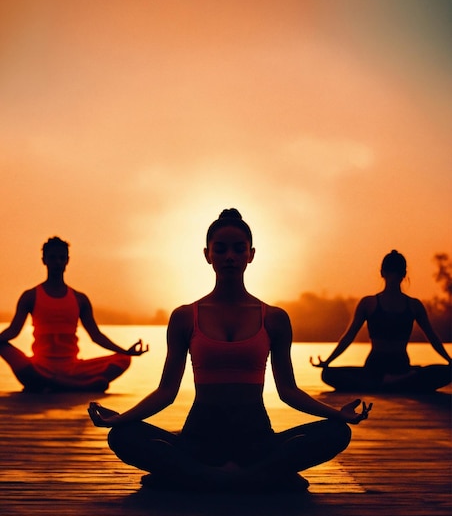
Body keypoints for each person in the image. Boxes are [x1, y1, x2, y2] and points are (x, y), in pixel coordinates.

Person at [89, 209, 371, 493]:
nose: (230, 257)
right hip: (199, 440)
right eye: (220, 249)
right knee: (123, 436)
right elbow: (166, 392)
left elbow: (289, 391)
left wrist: (336, 414)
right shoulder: (185, 316)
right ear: (207, 254)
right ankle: (256, 478)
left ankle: (200, 478)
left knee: (337, 432)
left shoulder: (274, 317)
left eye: (239, 249)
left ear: (251, 254)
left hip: (256, 440)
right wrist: (121, 418)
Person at [0, 236, 148, 392]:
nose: (57, 262)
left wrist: (125, 351)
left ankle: (52, 383)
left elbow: (96, 335)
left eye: (61, 258)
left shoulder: (79, 299)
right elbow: (13, 331)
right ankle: (77, 386)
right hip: (40, 366)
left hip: (72, 368)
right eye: (52, 258)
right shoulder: (30, 296)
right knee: (2, 346)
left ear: (67, 261)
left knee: (123, 359)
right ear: (44, 260)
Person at [311, 250, 451, 392]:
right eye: (391, 272)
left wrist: (450, 361)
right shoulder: (369, 303)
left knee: (447, 372)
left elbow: (432, 337)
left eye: (396, 273)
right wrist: (328, 361)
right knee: (328, 374)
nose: (393, 277)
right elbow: (349, 336)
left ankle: (384, 383)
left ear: (402, 275)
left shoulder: (414, 305)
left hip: (400, 366)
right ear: (383, 273)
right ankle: (394, 382)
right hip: (375, 366)